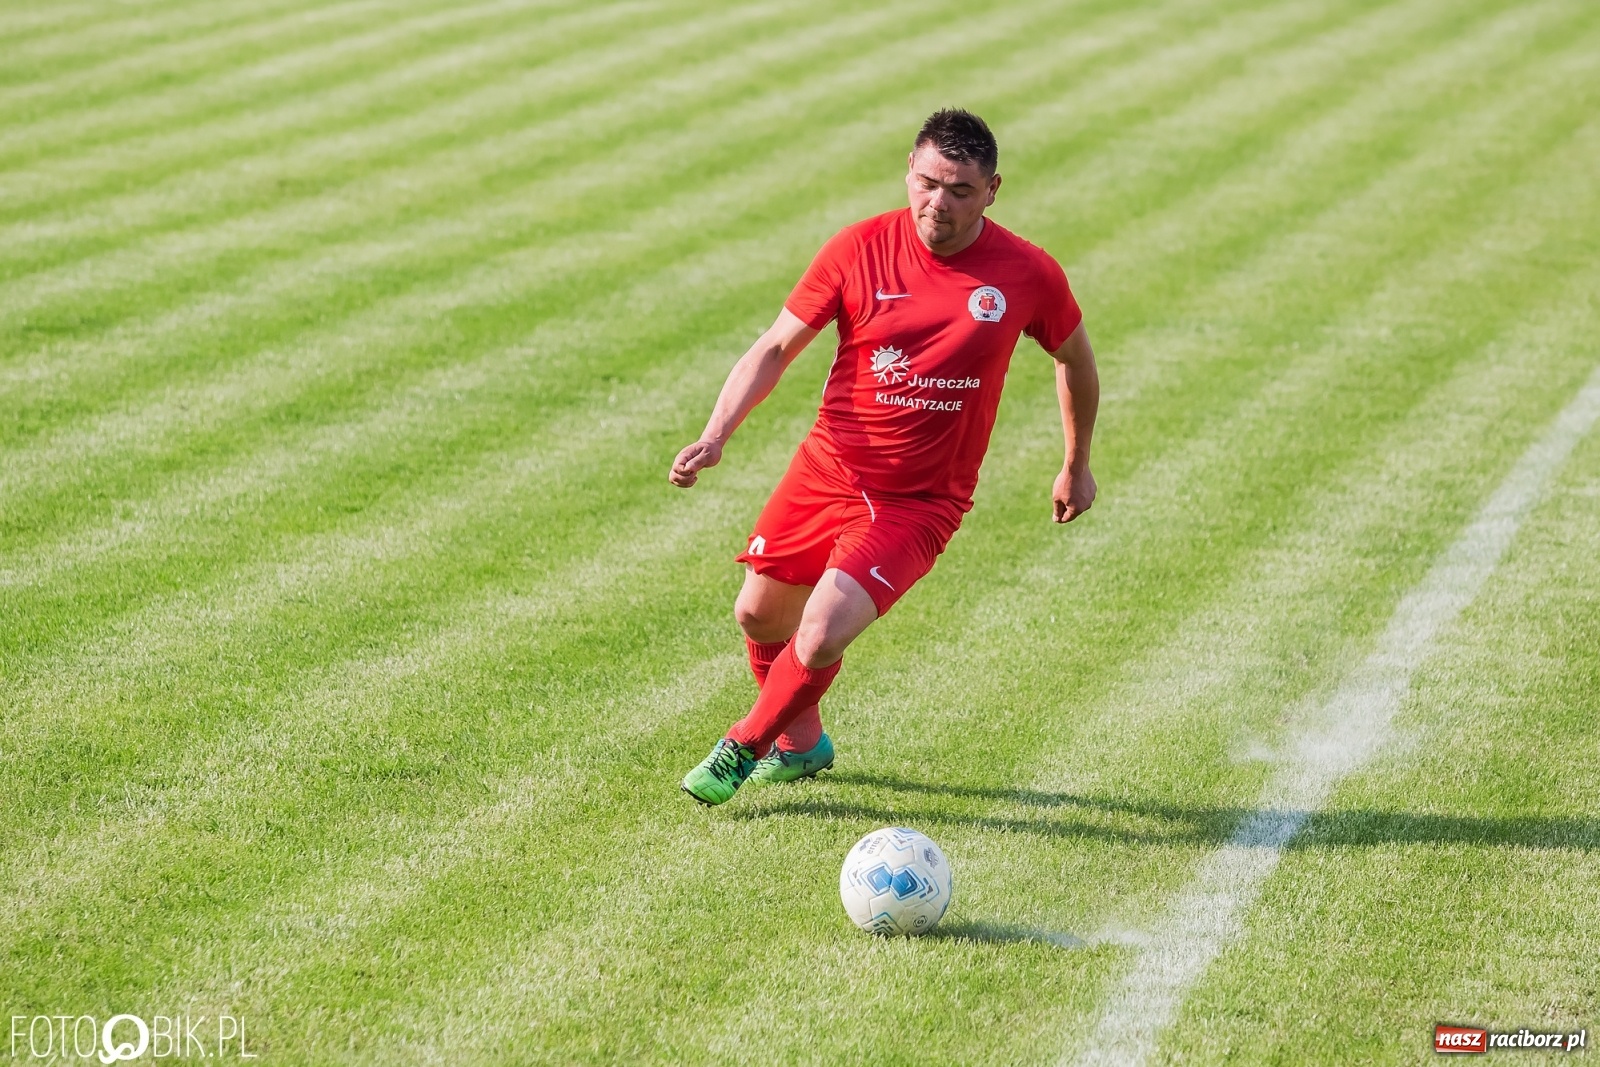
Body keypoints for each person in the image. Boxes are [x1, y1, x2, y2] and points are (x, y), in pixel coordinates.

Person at [669, 108, 1099, 805]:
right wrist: (717, 433)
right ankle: (803, 745)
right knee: (758, 616)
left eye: (961, 190)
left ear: (993, 190)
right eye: (928, 182)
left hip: (919, 502)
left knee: (822, 628)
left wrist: (1075, 462)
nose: (939, 203)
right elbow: (776, 346)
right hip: (827, 469)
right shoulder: (857, 249)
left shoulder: (1026, 273)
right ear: (908, 169)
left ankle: (740, 746)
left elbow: (1075, 360)